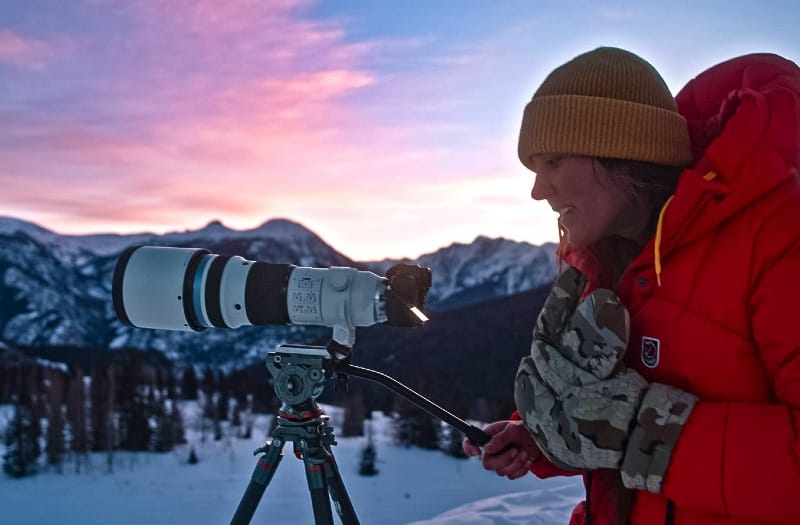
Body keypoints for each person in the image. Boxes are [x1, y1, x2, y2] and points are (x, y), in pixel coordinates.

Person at [463, 47, 800, 525]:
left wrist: (644, 431)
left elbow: (634, 426)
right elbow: (618, 420)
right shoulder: (613, 261)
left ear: (622, 149)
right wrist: (549, 436)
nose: (538, 190)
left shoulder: (779, 234)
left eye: (553, 161)